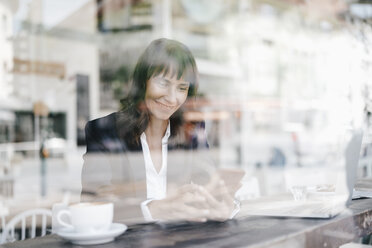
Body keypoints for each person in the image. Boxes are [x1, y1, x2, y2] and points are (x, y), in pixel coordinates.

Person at [81, 38, 237, 223]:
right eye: (163, 83)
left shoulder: (191, 131)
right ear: (142, 82)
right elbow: (93, 203)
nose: (172, 98)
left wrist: (224, 205)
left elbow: (209, 186)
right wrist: (152, 211)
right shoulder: (104, 131)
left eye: (182, 88)